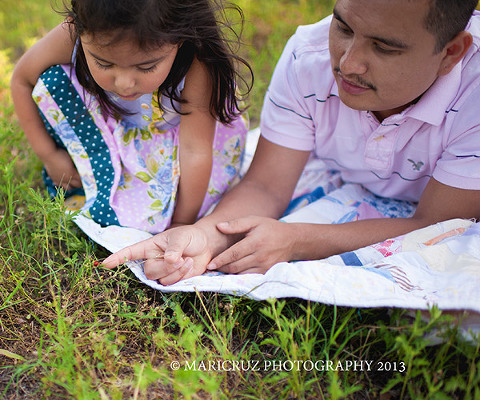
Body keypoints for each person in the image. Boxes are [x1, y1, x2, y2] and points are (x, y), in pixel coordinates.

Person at [102, 0, 480, 285]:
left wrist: (297, 240)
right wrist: (203, 235)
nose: (347, 64)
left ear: (450, 53)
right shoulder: (308, 57)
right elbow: (267, 184)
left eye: (384, 48)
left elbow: (438, 223)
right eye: (343, 28)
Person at [11, 0, 250, 233]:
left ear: (180, 38)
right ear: (80, 27)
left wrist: (181, 223)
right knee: (53, 80)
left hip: (180, 149)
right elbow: (22, 79)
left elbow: (195, 150)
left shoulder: (197, 61)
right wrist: (49, 154)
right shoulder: (79, 30)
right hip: (116, 124)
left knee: (152, 214)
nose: (124, 83)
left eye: (146, 67)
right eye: (104, 63)